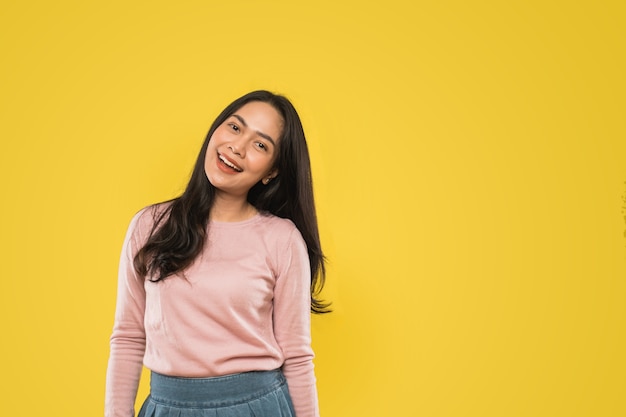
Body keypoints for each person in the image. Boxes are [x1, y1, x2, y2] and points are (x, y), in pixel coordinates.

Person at [105, 90, 329, 417]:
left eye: (260, 144)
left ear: (272, 172)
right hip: (167, 407)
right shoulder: (149, 226)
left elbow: (296, 356)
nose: (237, 147)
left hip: (257, 407)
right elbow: (127, 338)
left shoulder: (282, 239)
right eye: (235, 128)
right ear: (215, 130)